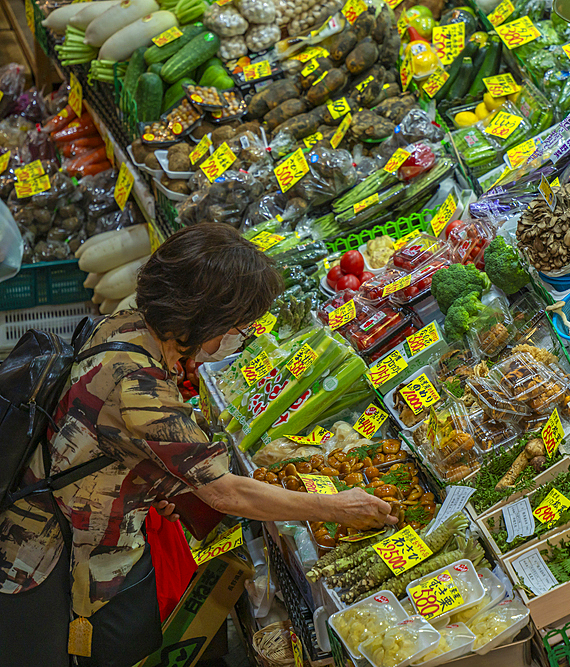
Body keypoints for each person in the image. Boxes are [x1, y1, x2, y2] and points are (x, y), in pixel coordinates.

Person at [0, 223, 395, 667]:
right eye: (238, 328)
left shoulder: (128, 324)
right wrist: (336, 507)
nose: (236, 339)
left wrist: (151, 480)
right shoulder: (136, 386)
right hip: (65, 564)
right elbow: (227, 491)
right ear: (205, 319)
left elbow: (109, 439)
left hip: (68, 530)